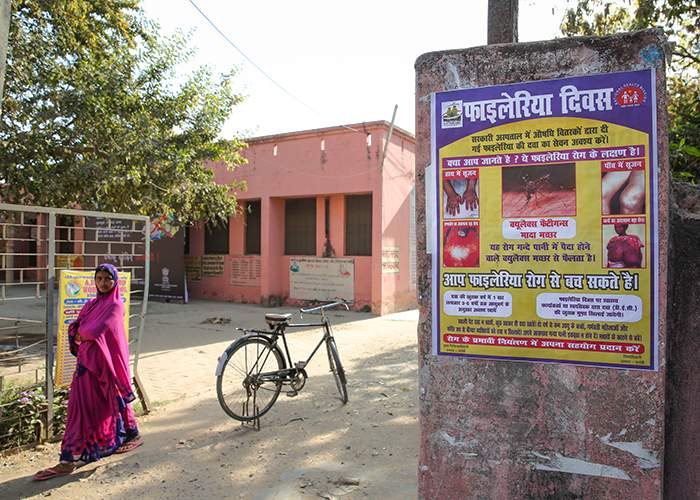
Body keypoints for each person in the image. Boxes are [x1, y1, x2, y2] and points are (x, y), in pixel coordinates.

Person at [34, 263, 142, 481]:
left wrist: (82, 332)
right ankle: (73, 455)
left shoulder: (116, 305)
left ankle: (73, 456)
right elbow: (76, 326)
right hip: (86, 365)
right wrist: (81, 332)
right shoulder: (92, 304)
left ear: (115, 282)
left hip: (103, 366)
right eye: (99, 278)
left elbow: (92, 330)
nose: (103, 283)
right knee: (83, 407)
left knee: (102, 404)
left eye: (107, 279)